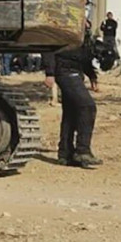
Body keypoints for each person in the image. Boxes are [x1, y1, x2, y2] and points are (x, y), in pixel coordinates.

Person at [42, 30, 101, 168]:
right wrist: (49, 72)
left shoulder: (81, 24)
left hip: (76, 72)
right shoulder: (62, 20)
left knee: (71, 112)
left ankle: (65, 154)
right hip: (64, 71)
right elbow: (48, 46)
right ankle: (82, 150)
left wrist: (92, 75)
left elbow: (83, 54)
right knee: (87, 106)